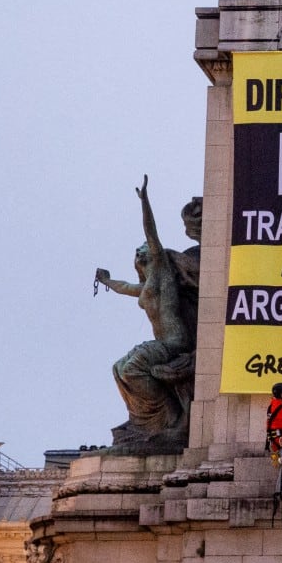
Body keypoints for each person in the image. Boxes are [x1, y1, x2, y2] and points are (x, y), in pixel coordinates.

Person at [93, 177, 194, 444]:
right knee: (118, 368)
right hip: (162, 343)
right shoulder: (147, 285)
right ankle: (148, 422)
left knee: (132, 368)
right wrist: (105, 281)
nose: (140, 250)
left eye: (144, 248)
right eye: (137, 250)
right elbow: (125, 287)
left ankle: (171, 416)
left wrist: (144, 202)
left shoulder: (162, 271)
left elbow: (151, 232)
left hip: (175, 341)